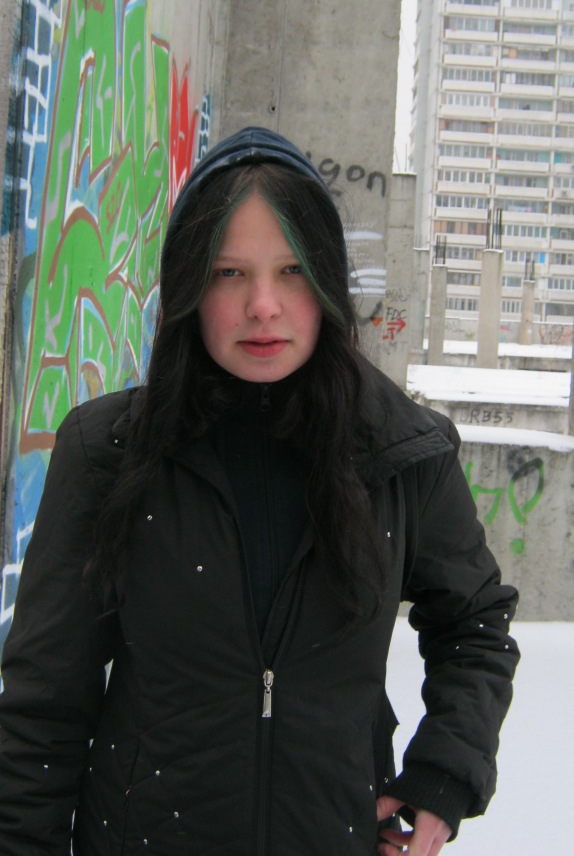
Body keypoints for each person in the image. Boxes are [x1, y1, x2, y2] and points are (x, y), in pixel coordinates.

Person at [0, 126, 519, 856]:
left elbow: (475, 624)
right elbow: (43, 707)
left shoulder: (402, 455)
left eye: (292, 271)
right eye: (228, 273)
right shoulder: (108, 453)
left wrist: (445, 773)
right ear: (188, 285)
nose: (263, 306)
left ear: (327, 279)